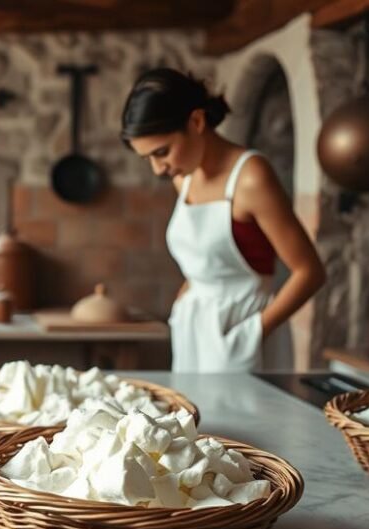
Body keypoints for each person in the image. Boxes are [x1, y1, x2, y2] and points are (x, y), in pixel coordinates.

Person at [121, 68, 325, 372]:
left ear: (196, 122)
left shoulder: (251, 178)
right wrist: (183, 309)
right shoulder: (184, 179)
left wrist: (252, 334)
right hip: (193, 331)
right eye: (148, 157)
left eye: (162, 152)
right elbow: (205, 265)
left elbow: (309, 272)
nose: (158, 169)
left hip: (242, 331)